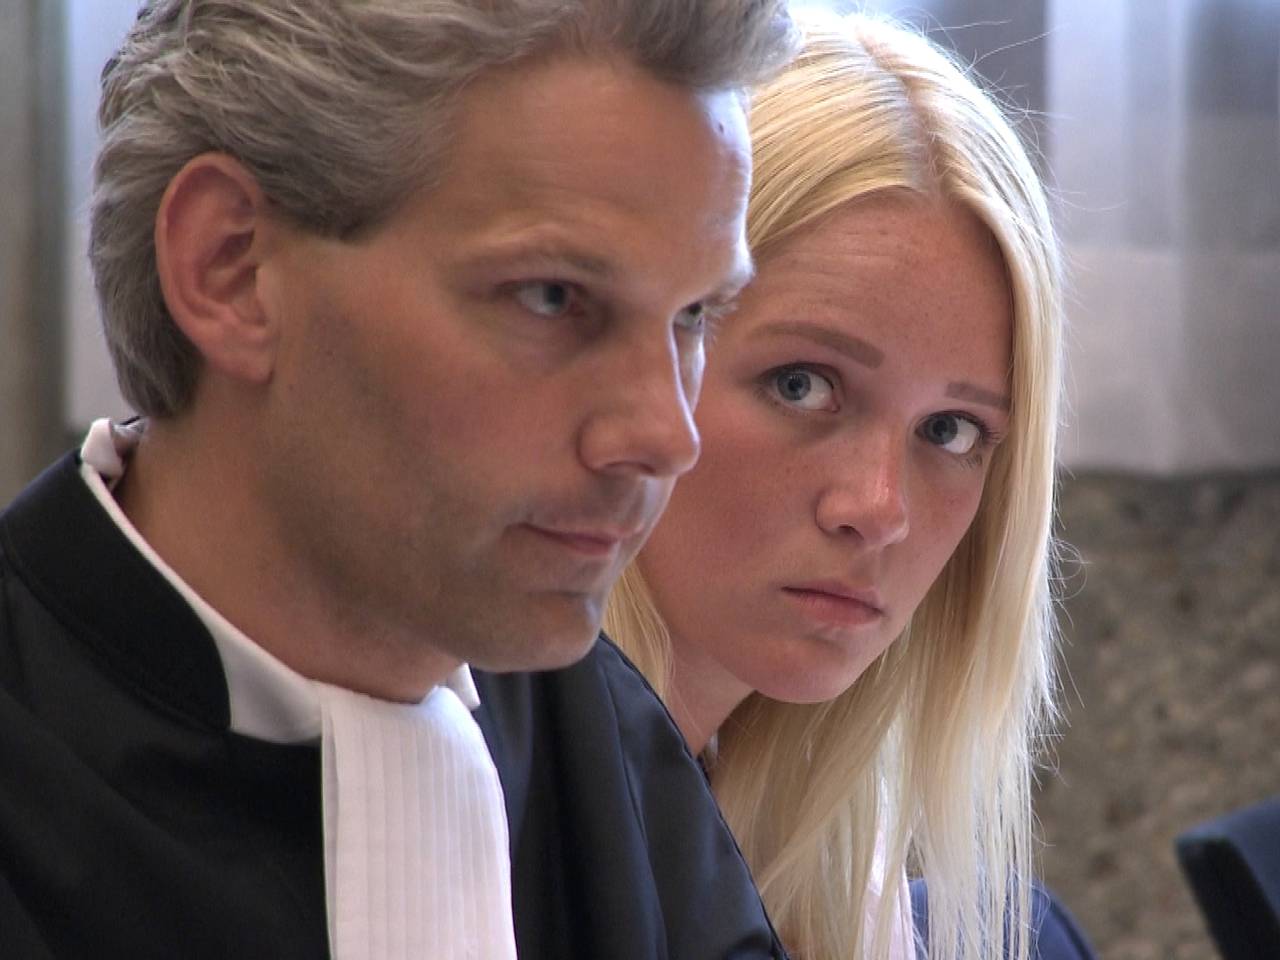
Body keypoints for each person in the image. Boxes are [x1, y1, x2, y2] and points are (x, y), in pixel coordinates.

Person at [0, 1, 797, 958]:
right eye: (552, 298)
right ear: (231, 267)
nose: (667, 435)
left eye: (693, 316)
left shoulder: (599, 738)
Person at [605, 10, 1066, 960]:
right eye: (803, 385)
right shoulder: (480, 809)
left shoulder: (839, 873)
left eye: (951, 430)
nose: (878, 510)